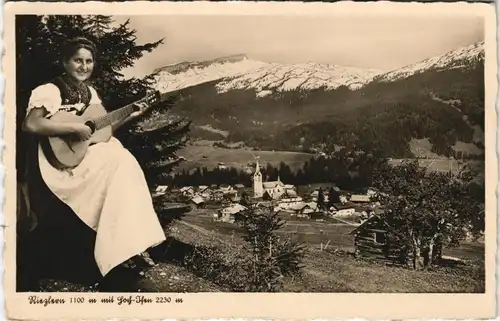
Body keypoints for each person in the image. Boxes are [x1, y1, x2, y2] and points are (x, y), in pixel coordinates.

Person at [22, 37, 167, 289]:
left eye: (89, 61)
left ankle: (124, 247)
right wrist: (73, 127)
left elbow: (100, 131)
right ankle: (118, 250)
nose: (84, 66)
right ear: (65, 62)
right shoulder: (49, 90)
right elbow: (31, 124)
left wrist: (132, 114)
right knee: (119, 160)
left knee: (122, 161)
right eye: (78, 60)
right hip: (55, 162)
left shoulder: (90, 93)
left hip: (83, 155)